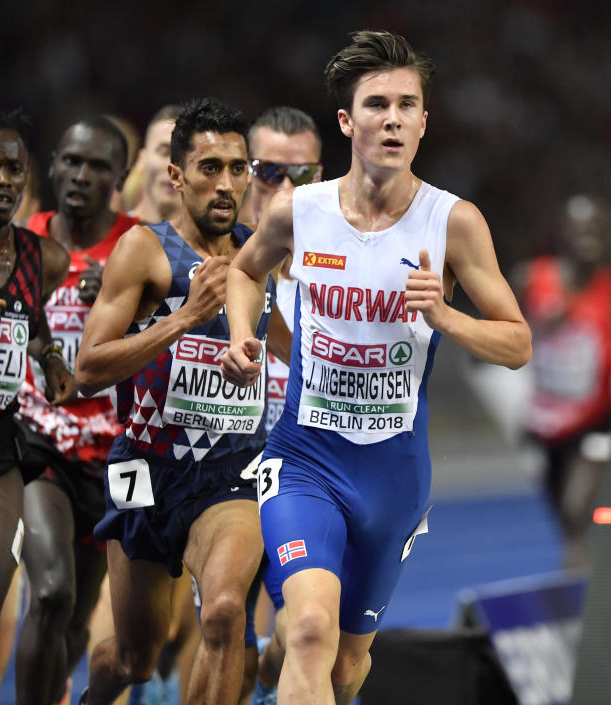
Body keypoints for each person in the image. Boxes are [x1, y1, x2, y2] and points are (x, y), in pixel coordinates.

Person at [221, 30, 532, 704]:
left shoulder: (454, 223)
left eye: (406, 105)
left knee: (343, 664)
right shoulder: (300, 210)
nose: (391, 118)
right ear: (347, 120)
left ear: (425, 121)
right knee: (308, 627)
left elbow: (517, 343)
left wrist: (446, 316)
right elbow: (242, 273)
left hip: (393, 471)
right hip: (305, 456)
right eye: (376, 104)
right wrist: (243, 332)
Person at [73, 97, 289, 705]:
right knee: (135, 661)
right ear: (175, 175)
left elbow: (290, 349)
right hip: (145, 470)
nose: (227, 184)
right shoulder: (144, 250)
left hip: (230, 475)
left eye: (238, 168)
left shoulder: (260, 255)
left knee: (223, 613)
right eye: (210, 168)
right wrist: (186, 318)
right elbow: (89, 371)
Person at [13, 115, 138, 705]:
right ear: (54, 164)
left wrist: (129, 302)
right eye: (70, 161)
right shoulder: (19, 240)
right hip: (37, 442)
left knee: (84, 621)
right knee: (49, 593)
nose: (80, 176)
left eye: (97, 166)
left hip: (120, 457)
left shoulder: (141, 247)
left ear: (121, 176)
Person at [238, 106, 323, 705]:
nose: (287, 189)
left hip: (304, 474)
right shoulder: (204, 260)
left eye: (303, 173)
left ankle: (273, 680)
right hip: (215, 474)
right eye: (269, 172)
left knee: (304, 633)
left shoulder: (346, 268)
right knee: (207, 636)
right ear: (242, 174)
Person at [0, 108, 75, 645]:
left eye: (14, 168)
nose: (3, 181)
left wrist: (50, 360)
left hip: (2, 443)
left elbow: (33, 323)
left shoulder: (43, 258)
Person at [514, 193, 611, 569]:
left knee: (577, 514)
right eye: (578, 229)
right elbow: (498, 333)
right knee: (565, 520)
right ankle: (586, 580)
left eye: (594, 229)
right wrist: (541, 327)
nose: (586, 237)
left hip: (597, 420)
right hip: (546, 424)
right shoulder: (532, 278)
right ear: (562, 234)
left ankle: (583, 597)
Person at [129, 105, 182, 226]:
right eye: (164, 152)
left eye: (185, 156)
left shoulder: (211, 243)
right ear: (141, 159)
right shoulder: (110, 238)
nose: (174, 167)